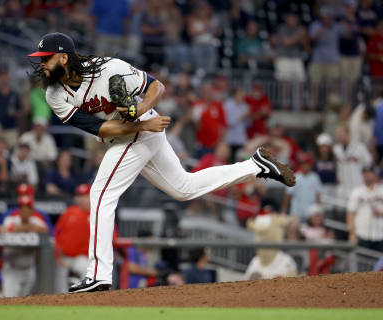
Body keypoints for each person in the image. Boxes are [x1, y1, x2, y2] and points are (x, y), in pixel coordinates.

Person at [28, 32, 295, 293]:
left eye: (46, 58)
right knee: (184, 188)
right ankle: (255, 166)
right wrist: (141, 122)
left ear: (63, 58)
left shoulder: (109, 68)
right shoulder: (54, 95)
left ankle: (98, 275)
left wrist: (140, 110)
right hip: (129, 133)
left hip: (142, 129)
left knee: (100, 194)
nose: (41, 64)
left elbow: (156, 87)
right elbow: (100, 129)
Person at [0, 195, 49, 297]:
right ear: (19, 210)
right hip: (12, 269)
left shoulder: (36, 221)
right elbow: (7, 229)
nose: (25, 212)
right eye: (22, 209)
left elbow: (45, 230)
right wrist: (29, 228)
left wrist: (22, 228)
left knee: (25, 301)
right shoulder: (10, 219)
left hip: (29, 270)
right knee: (9, 300)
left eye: (28, 209)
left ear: (32, 211)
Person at [54, 184, 92, 293]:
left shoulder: (98, 213)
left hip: (84, 258)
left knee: (85, 268)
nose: (82, 199)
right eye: (79, 196)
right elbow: (55, 235)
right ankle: (59, 302)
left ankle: (86, 299)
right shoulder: (68, 212)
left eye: (85, 196)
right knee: (60, 286)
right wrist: (57, 256)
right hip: (64, 258)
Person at [347, 166, 383, 252]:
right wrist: (352, 233)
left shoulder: (381, 190)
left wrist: (381, 213)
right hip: (362, 234)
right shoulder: (357, 192)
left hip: (381, 234)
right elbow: (350, 213)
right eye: (365, 173)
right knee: (363, 263)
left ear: (374, 174)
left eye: (369, 172)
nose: (367, 175)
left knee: (379, 264)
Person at [333, 124, 372, 200]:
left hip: (357, 183)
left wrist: (359, 161)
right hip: (343, 186)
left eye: (341, 134)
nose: (339, 137)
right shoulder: (336, 149)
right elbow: (336, 167)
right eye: (338, 135)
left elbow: (369, 162)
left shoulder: (359, 147)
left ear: (348, 134)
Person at [281, 153, 322, 221]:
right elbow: (288, 195)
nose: (306, 166)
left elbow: (318, 195)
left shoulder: (315, 177)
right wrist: (284, 211)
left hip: (310, 213)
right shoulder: (294, 177)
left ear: (311, 165)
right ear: (300, 165)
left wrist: (318, 210)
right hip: (296, 212)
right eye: (304, 164)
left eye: (307, 164)